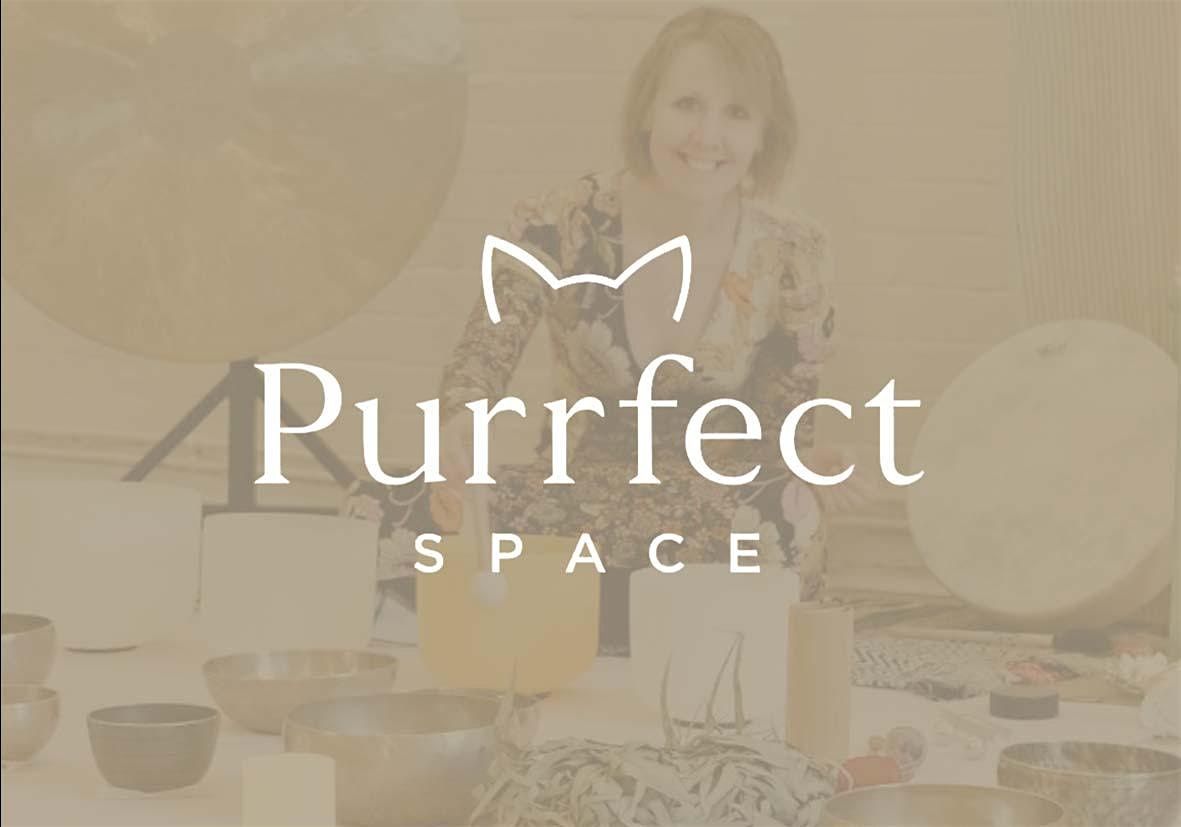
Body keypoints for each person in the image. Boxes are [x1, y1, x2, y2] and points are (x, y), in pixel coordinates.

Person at [347, 6, 858, 649]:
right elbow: (483, 353)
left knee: (790, 519)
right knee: (372, 505)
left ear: (764, 134)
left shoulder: (795, 250)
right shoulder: (556, 221)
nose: (707, 135)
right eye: (687, 104)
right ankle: (635, 617)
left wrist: (806, 466)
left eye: (736, 113)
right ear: (648, 110)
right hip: (570, 500)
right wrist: (462, 425)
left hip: (716, 510)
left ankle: (570, 612)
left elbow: (785, 431)